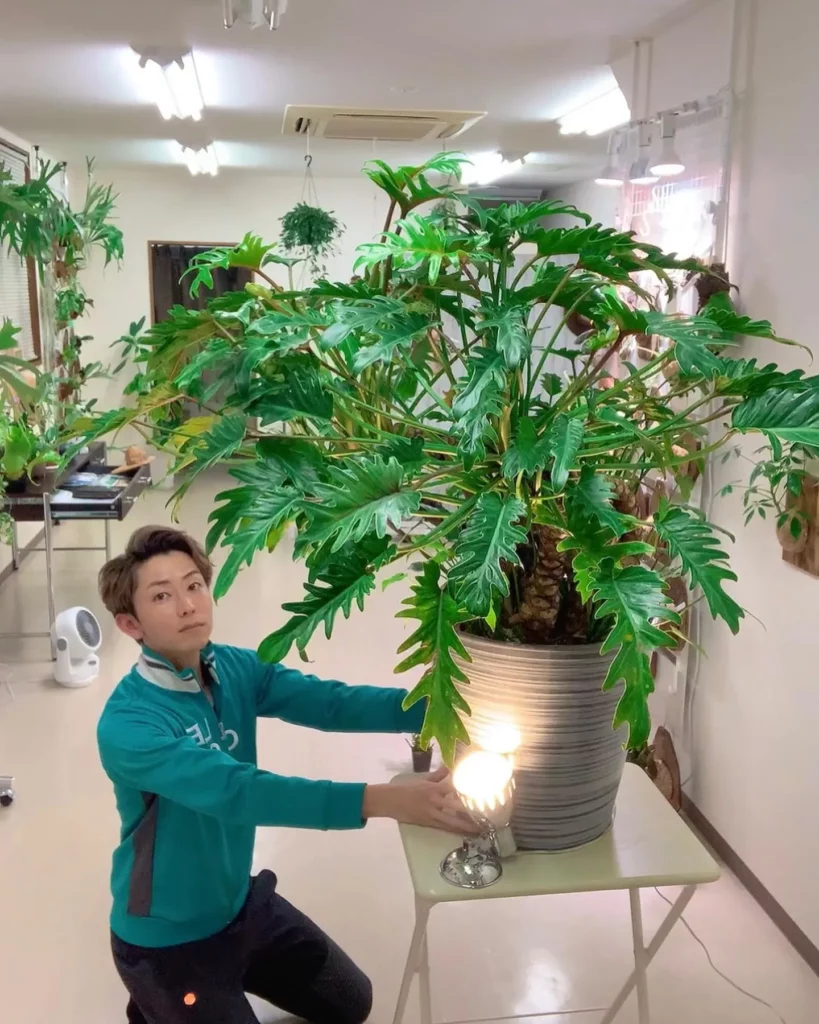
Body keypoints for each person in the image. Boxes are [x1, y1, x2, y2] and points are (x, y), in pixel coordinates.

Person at [97, 525, 475, 1024]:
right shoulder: (129, 726)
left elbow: (330, 702)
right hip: (169, 943)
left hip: (241, 907)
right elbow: (237, 791)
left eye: (194, 585)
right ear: (130, 624)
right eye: (162, 596)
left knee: (350, 1001)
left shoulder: (231, 668)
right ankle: (154, 1004)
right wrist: (380, 800)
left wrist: (440, 706)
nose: (188, 605)